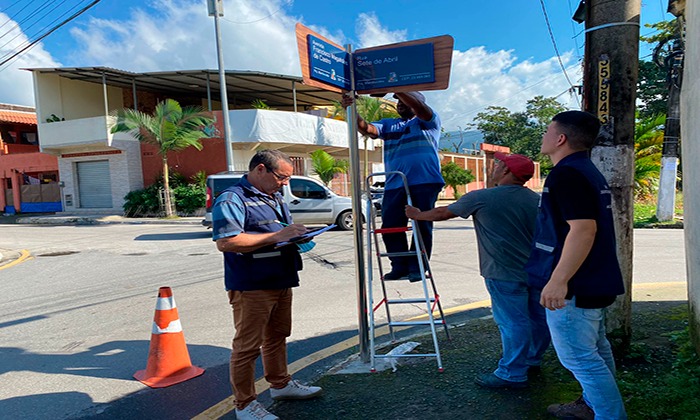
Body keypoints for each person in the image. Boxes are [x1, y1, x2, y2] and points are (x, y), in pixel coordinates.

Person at [406, 153, 550, 389]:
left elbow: (443, 213)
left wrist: (417, 215)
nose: (494, 167)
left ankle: (512, 373)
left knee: (513, 323)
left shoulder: (482, 197)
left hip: (503, 272)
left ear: (506, 171)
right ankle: (530, 360)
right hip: (537, 272)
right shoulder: (536, 199)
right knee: (538, 319)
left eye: (498, 164)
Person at [525, 111, 626, 419]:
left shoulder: (567, 174)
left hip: (575, 286)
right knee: (596, 349)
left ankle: (609, 415)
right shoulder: (585, 170)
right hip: (592, 280)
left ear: (560, 138)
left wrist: (558, 281)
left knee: (580, 358)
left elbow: (583, 229)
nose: (543, 136)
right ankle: (592, 406)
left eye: (547, 130)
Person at [212, 149, 323, 420]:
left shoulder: (273, 196)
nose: (284, 183)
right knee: (247, 347)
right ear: (260, 169)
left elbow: (278, 232)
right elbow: (227, 241)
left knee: (277, 336)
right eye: (281, 177)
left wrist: (296, 235)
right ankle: (244, 405)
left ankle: (281, 385)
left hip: (281, 277)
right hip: (252, 284)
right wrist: (278, 235)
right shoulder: (232, 198)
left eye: (287, 179)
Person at [342, 91, 445, 281]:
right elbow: (367, 129)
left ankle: (418, 267)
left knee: (421, 224)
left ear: (416, 102)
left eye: (404, 100)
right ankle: (399, 266)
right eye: (398, 101)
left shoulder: (428, 121)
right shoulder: (389, 124)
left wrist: (397, 88)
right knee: (390, 226)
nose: (400, 104)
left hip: (425, 181)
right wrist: (351, 109)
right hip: (395, 183)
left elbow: (420, 109)